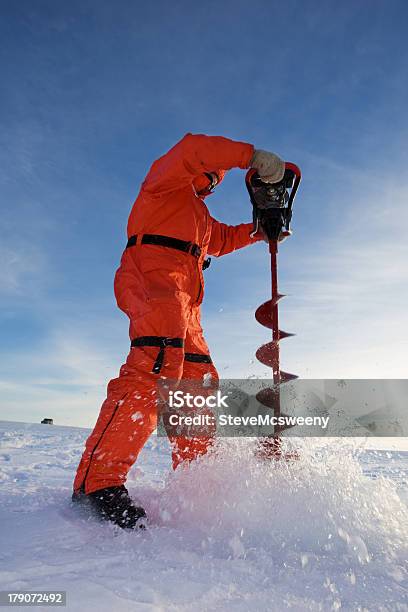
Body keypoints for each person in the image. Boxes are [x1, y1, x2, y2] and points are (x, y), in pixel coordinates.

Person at [72, 133, 285, 529]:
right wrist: (251, 156)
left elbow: (220, 240)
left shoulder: (199, 215)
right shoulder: (163, 183)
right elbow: (191, 149)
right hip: (152, 278)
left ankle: (197, 479)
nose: (215, 181)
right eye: (214, 173)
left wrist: (261, 231)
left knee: (198, 378)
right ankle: (98, 482)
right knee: (155, 366)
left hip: (187, 296)